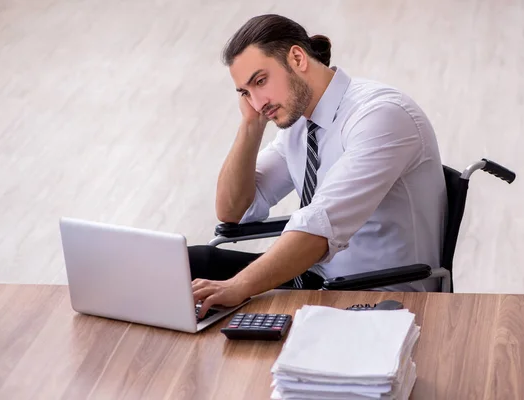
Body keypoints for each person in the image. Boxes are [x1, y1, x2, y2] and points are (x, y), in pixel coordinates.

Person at [191, 14, 447, 317]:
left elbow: (319, 230)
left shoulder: (380, 116)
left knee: (222, 294)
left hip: (373, 293)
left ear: (297, 58)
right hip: (316, 278)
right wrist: (250, 125)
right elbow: (233, 210)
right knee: (186, 265)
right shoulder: (300, 121)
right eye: (246, 92)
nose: (258, 102)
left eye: (261, 81)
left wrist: (239, 286)